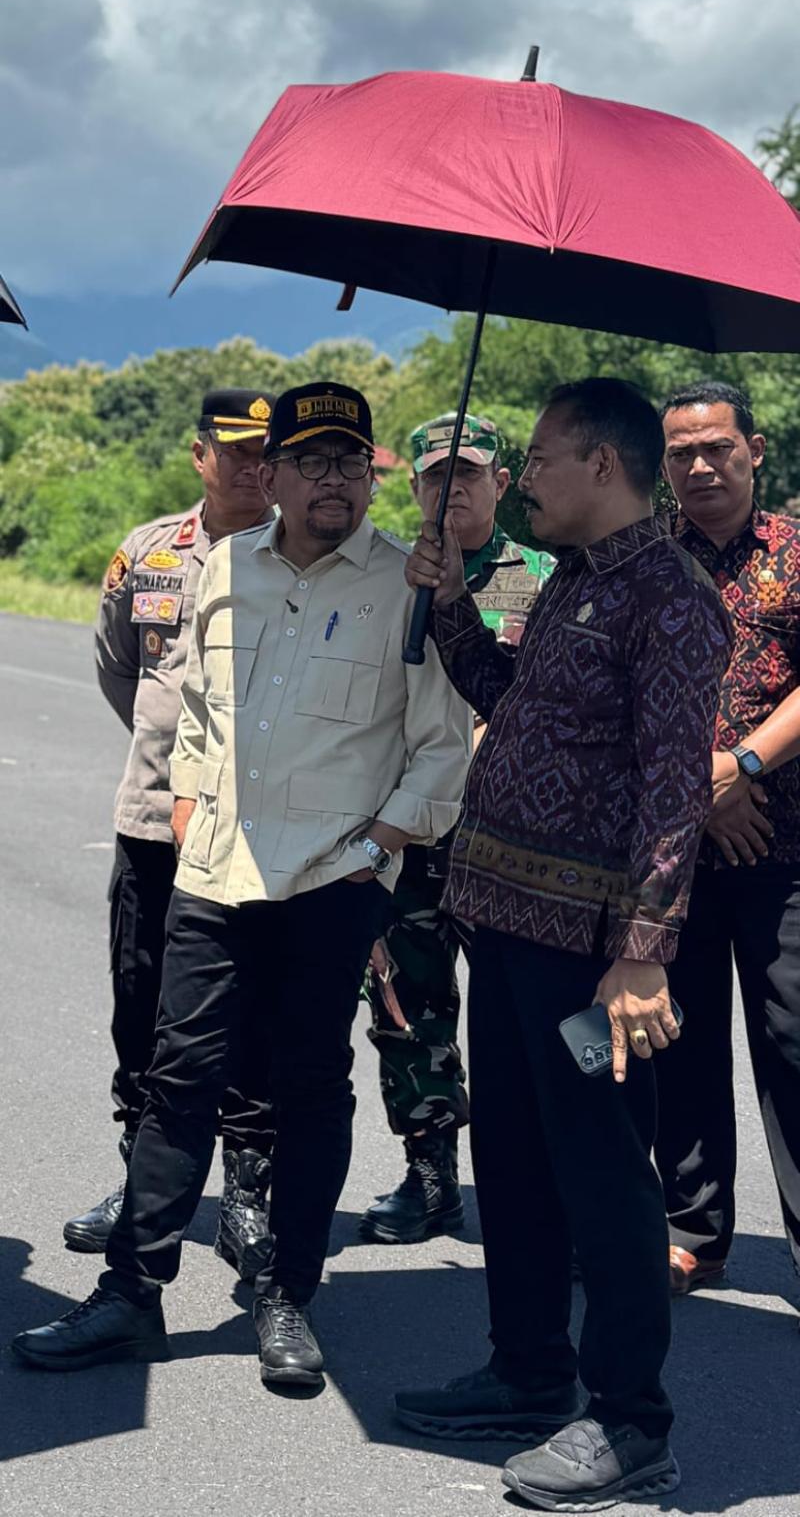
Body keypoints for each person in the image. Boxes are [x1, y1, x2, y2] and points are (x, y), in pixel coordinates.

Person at [14, 381, 471, 1390]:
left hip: (331, 879)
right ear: (274, 475)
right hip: (216, 869)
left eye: (350, 461)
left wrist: (378, 849)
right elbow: (197, 709)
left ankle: (286, 1293)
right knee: (177, 1081)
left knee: (307, 1088)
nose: (332, 480)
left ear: (370, 478)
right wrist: (187, 805)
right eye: (311, 461)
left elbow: (443, 747)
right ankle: (131, 1292)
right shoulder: (225, 567)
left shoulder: (409, 586)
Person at [395, 378, 731, 1512]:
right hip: (504, 931)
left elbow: (674, 788)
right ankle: (527, 1369)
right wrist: (449, 606)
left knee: (602, 1178)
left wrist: (643, 950)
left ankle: (631, 1423)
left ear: (601, 464)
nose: (523, 479)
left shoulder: (670, 600)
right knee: (516, 1163)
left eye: (538, 459)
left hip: (591, 960)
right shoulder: (572, 583)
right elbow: (507, 698)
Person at [63, 388, 279, 1284]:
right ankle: (140, 1180)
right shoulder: (148, 554)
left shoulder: (301, 554)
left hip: (257, 831)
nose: (252, 465)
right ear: (200, 456)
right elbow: (121, 671)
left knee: (252, 1014)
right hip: (155, 820)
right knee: (141, 1000)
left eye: (265, 450)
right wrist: (174, 766)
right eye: (235, 450)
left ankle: (248, 1193)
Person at [362, 412, 554, 1244]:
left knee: (533, 1013)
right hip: (408, 834)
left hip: (508, 840)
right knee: (406, 1008)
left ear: (501, 483)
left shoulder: (545, 575)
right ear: (414, 487)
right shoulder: (382, 575)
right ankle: (430, 1173)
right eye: (437, 476)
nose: (452, 490)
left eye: (468, 474)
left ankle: (550, 1184)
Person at [654, 380, 800, 1295]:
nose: (701, 465)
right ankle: (692, 1232)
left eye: (717, 447)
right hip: (669, 860)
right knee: (680, 1044)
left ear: (754, 450)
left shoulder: (795, 551)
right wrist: (700, 789)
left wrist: (738, 766)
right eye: (681, 453)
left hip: (786, 853)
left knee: (793, 1045)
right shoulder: (641, 560)